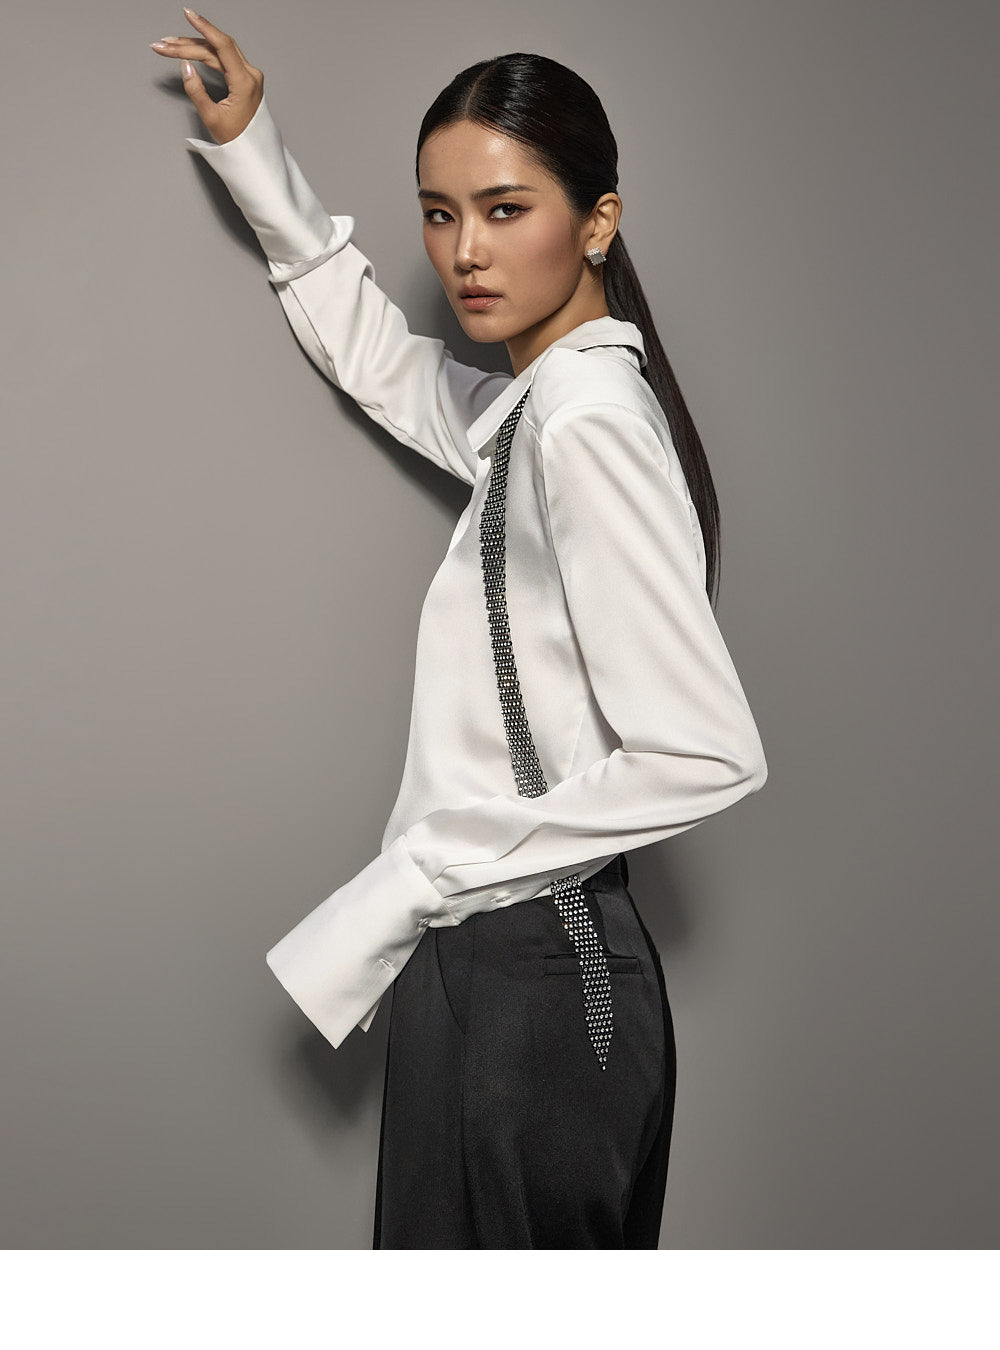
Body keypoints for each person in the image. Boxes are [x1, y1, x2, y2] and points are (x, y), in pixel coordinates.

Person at [151, 9, 768, 1249]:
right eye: (440, 214)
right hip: (499, 961)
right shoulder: (541, 407)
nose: (464, 251)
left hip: (537, 967)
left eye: (505, 208)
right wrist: (255, 149)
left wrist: (427, 867)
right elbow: (388, 365)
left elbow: (709, 753)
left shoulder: (585, 423)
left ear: (595, 221)